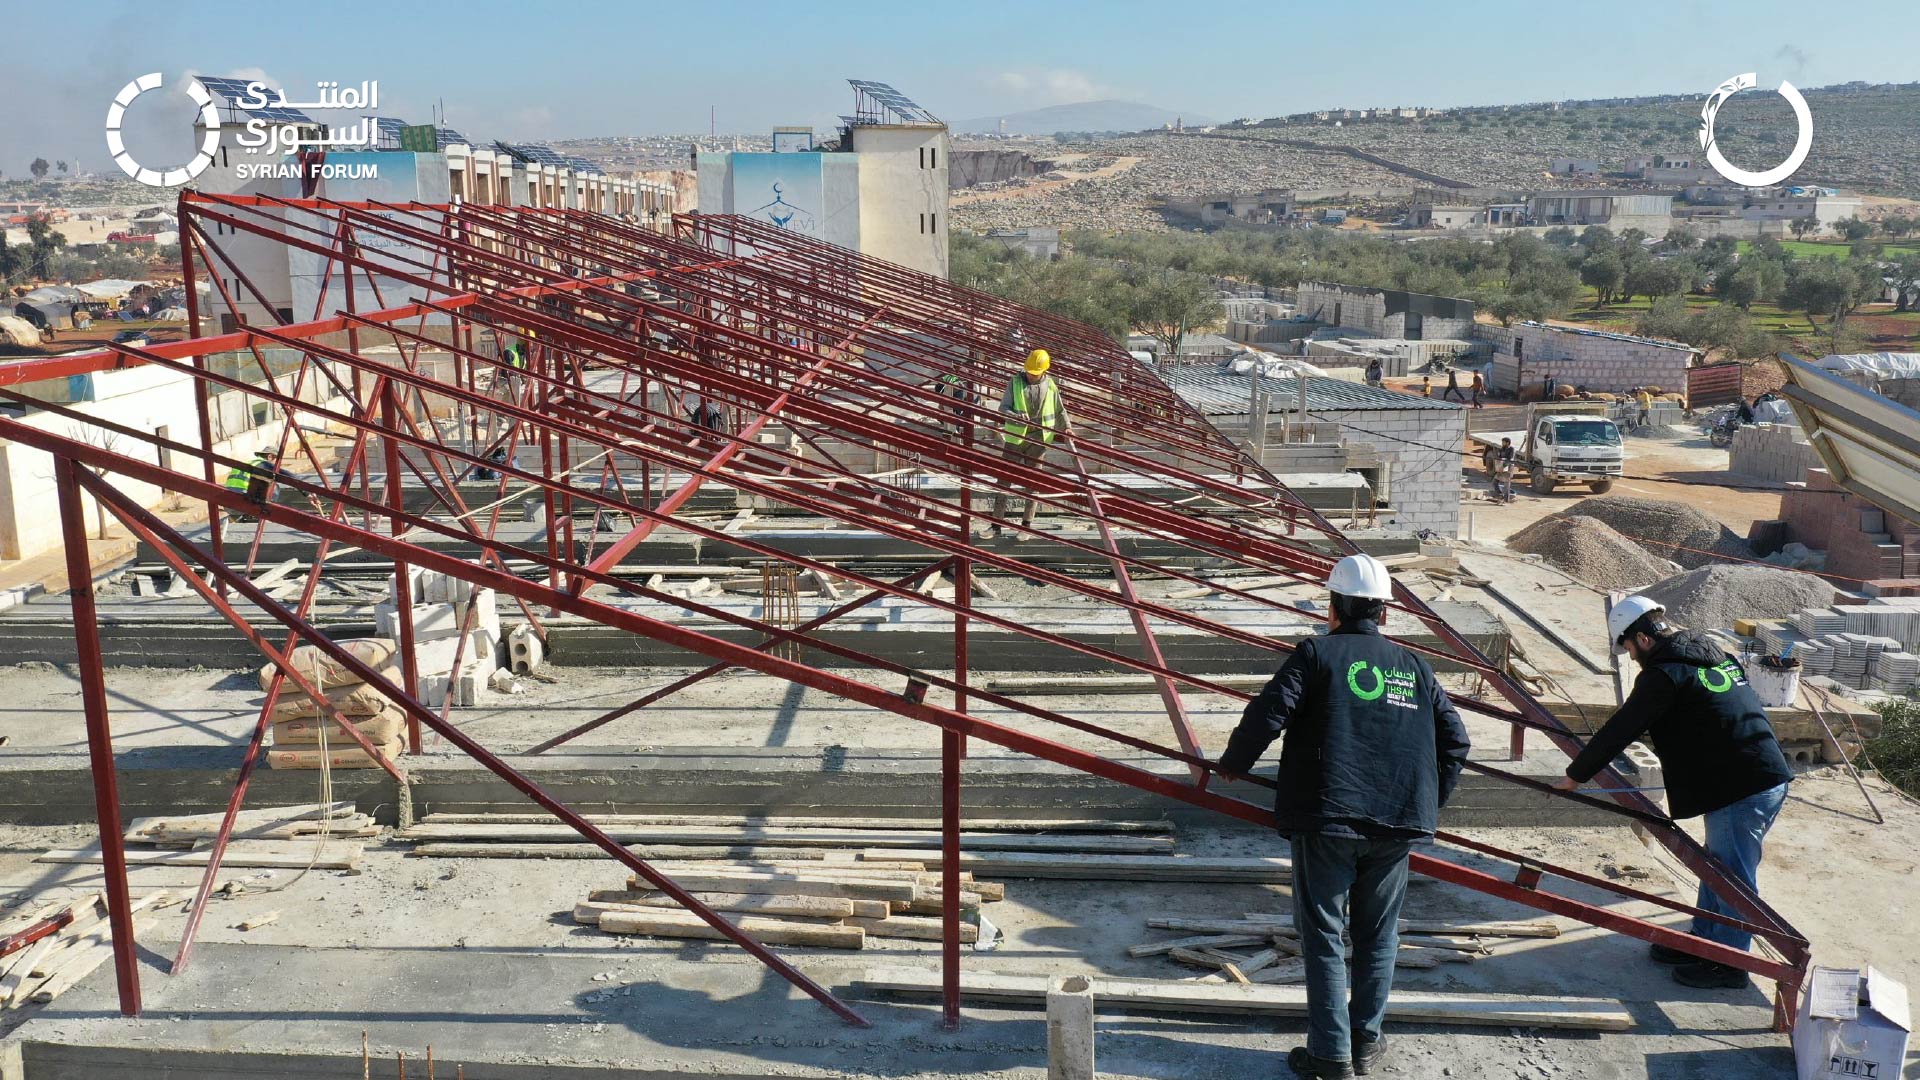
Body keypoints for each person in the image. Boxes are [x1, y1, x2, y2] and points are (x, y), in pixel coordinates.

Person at [1218, 554, 1471, 1079]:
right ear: (1383, 614)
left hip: (1328, 818)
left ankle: (1330, 1056)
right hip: (1396, 822)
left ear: (1333, 608)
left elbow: (1268, 713)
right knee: (1380, 936)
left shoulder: (1316, 654)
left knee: (1325, 935)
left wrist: (1232, 766)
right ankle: (1364, 1043)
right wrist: (1425, 802)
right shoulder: (1414, 666)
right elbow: (1457, 741)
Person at [1552, 596, 1792, 990]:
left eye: (1628, 648)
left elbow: (1622, 727)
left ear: (1643, 639)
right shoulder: (1713, 656)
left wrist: (1576, 775)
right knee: (1716, 866)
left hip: (1743, 785)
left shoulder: (1665, 674)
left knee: (1731, 877)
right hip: (1751, 776)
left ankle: (1730, 964)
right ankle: (1702, 942)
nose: (1630, 658)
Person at [988, 349, 1072, 538]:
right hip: (1015, 439)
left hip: (1038, 440)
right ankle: (996, 525)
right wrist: (1015, 416)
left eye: (1035, 373)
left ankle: (1026, 526)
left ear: (1043, 371)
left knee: (1032, 484)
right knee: (1004, 480)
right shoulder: (1016, 382)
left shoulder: (1050, 386)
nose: (1031, 375)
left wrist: (1066, 428)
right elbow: (1003, 408)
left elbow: (1060, 410)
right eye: (1029, 371)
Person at [224, 448, 283, 522]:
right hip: (243, 502)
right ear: (270, 457)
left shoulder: (247, 462)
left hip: (226, 501)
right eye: (275, 460)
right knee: (274, 486)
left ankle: (235, 517)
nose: (275, 464)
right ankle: (265, 514)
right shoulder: (264, 465)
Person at [1495, 437, 1517, 502]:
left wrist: (1504, 465)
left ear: (1507, 443)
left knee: (1506, 485)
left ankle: (1506, 500)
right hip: (1501, 469)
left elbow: (1510, 459)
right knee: (1494, 482)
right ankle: (1500, 494)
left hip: (1508, 469)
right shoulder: (1501, 449)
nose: (1502, 443)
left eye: (1503, 442)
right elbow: (1499, 458)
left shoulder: (1511, 449)